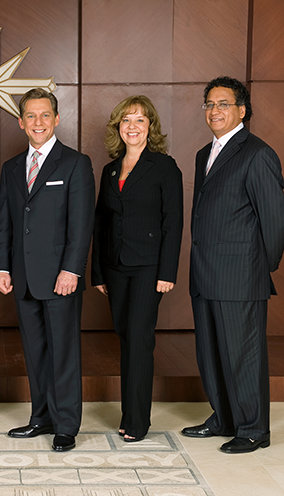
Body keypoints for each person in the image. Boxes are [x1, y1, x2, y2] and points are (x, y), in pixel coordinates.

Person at [182, 76, 284, 453]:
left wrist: (257, 268)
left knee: (243, 357)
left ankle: (253, 428)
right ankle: (224, 417)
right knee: (211, 353)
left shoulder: (258, 154)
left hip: (240, 277)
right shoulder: (203, 154)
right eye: (209, 104)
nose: (214, 111)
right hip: (205, 273)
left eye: (223, 104)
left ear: (242, 110)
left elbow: (274, 221)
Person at [0, 88, 95, 452]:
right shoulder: (11, 167)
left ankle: (66, 425)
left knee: (63, 352)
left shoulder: (75, 163)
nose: (38, 122)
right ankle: (41, 417)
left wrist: (72, 270)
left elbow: (81, 223)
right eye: (31, 116)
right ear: (21, 122)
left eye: (45, 115)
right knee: (35, 352)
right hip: (22, 278)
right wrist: (2, 267)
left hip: (60, 278)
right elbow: (5, 221)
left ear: (56, 119)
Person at [91, 95, 183, 442]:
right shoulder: (110, 170)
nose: (132, 126)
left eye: (140, 120)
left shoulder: (164, 166)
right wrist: (98, 273)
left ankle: (138, 421)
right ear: (118, 127)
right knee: (125, 336)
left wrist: (167, 272)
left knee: (139, 339)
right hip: (115, 268)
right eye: (126, 120)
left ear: (150, 127)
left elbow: (173, 222)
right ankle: (129, 413)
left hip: (148, 267)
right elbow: (101, 223)